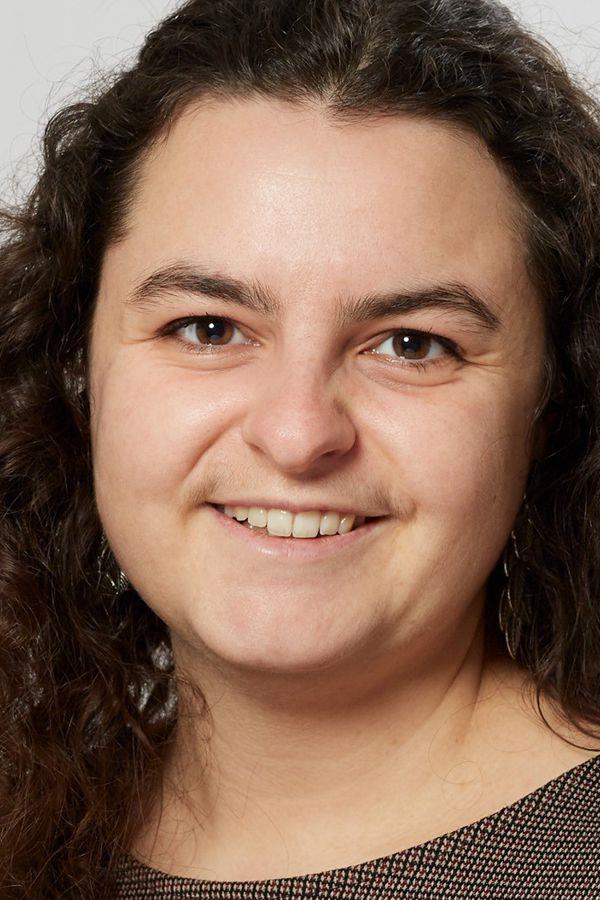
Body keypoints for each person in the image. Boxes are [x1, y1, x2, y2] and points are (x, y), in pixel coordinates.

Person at [2, 0, 600, 897]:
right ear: (75, 372)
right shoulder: (30, 828)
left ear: (550, 407)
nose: (297, 434)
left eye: (412, 344)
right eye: (208, 327)